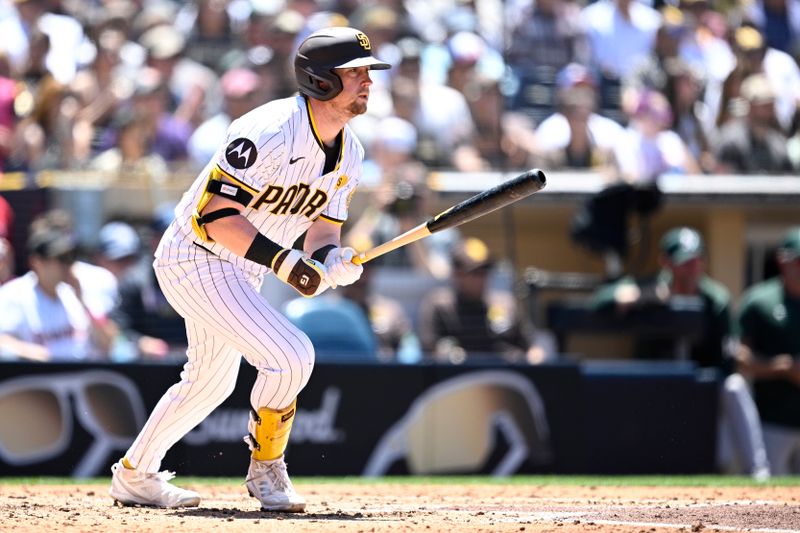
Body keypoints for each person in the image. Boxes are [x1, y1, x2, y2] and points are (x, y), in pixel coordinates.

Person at [109, 26, 388, 511]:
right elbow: (216, 216)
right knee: (293, 354)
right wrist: (287, 262)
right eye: (355, 72)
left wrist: (330, 259)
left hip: (241, 270)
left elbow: (323, 231)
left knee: (210, 382)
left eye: (368, 72)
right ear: (321, 80)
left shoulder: (352, 153)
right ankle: (266, 471)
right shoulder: (268, 129)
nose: (367, 81)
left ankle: (135, 474)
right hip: (195, 257)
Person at [591, 227, 770, 479]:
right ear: (666, 263)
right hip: (656, 384)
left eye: (697, 261)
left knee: (735, 386)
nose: (693, 268)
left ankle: (758, 472)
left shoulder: (715, 299)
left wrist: (697, 382)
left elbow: (727, 360)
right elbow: (600, 300)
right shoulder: (653, 287)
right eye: (685, 263)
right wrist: (642, 296)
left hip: (704, 386)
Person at [418, 237, 557, 365]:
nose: (482, 279)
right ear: (457, 274)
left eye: (485, 272)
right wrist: (445, 354)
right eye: (475, 273)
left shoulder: (506, 304)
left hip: (508, 377)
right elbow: (429, 350)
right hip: (460, 381)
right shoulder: (440, 306)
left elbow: (535, 339)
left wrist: (537, 352)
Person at [0, 215, 115, 361]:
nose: (67, 265)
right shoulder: (14, 294)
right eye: (60, 259)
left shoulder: (76, 291)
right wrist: (27, 352)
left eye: (69, 258)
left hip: (81, 377)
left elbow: (108, 344)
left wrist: (82, 300)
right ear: (36, 261)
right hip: (38, 379)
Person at [736, 226, 800, 475]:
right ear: (783, 260)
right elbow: (740, 357)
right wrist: (784, 367)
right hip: (772, 421)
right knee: (771, 500)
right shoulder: (759, 300)